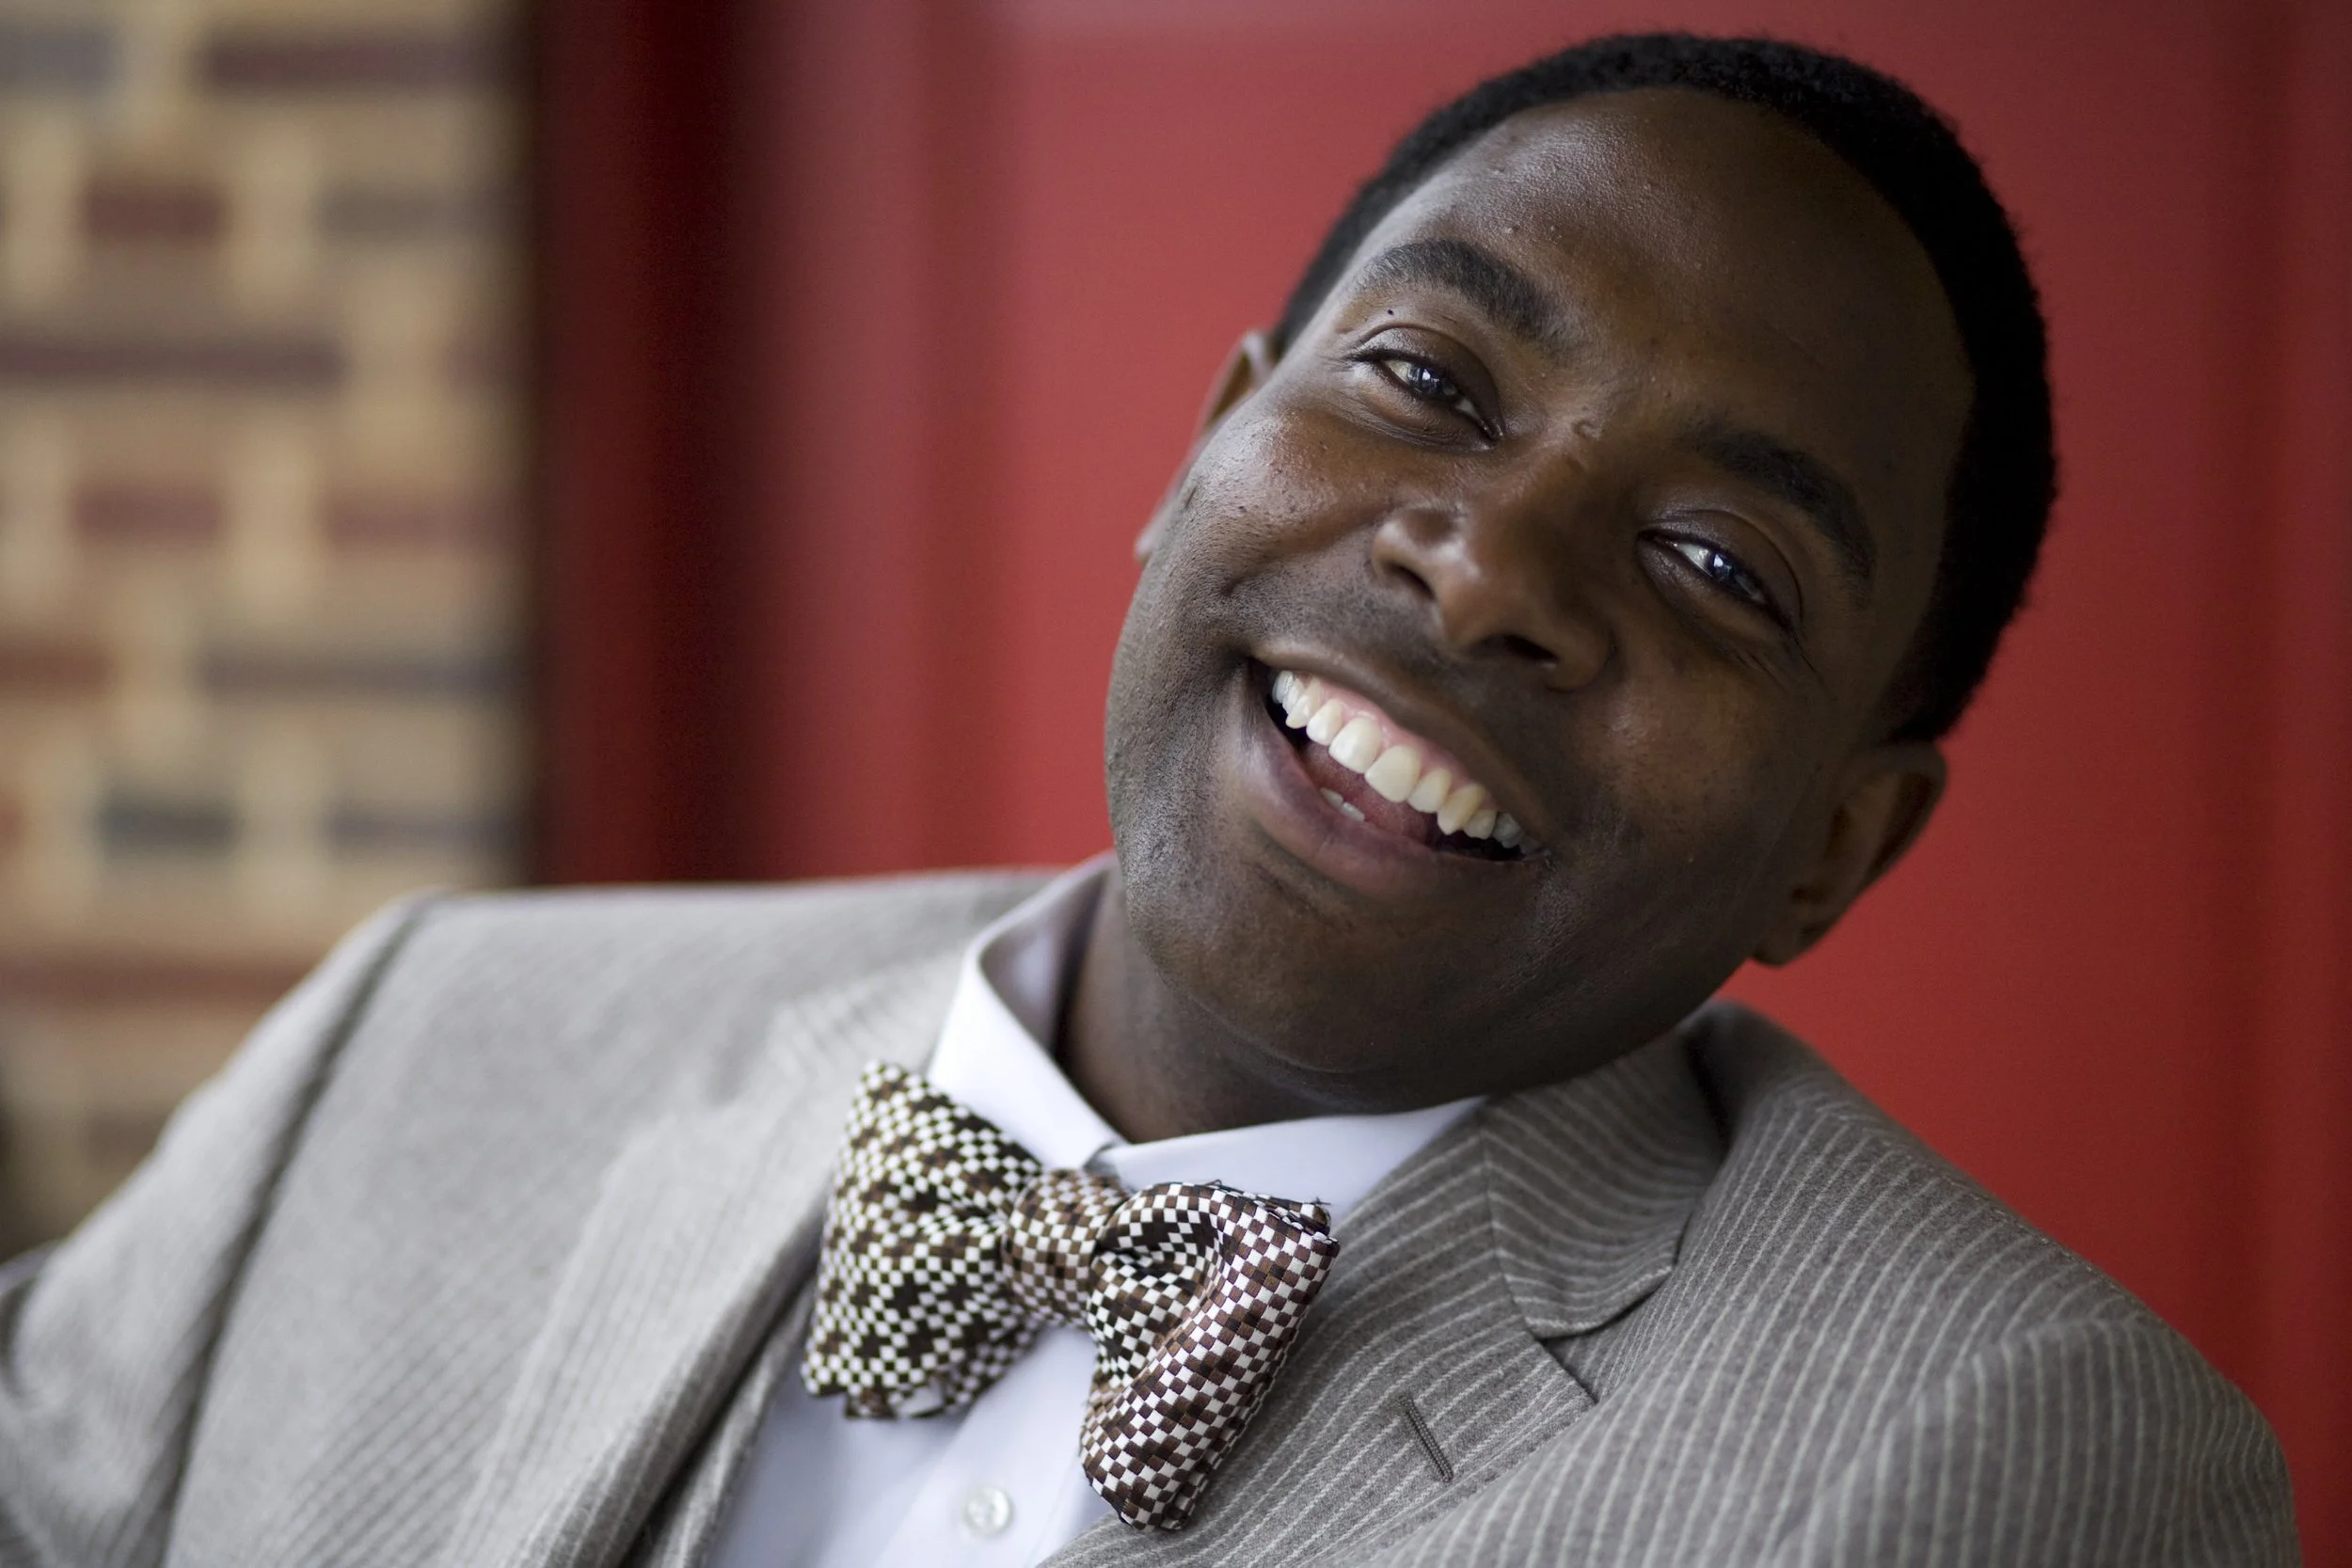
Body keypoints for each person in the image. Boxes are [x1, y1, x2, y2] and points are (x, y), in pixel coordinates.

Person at [0, 31, 2296, 1568]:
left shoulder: (2004, 1458)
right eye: (1423, 378)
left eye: (1717, 564)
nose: (1488, 566)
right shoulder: (429, 1037)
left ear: (1836, 842)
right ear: (1210, 440)